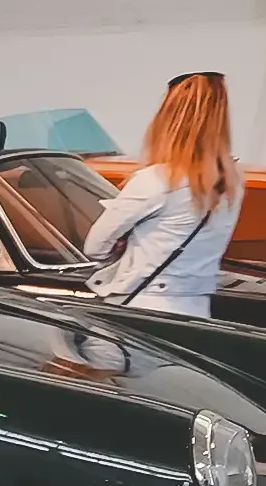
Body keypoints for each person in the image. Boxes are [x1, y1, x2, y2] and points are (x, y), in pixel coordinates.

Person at [84, 71, 243, 318]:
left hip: (143, 308)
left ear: (168, 121)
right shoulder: (232, 183)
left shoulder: (156, 179)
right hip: (198, 308)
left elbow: (94, 247)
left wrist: (122, 248)